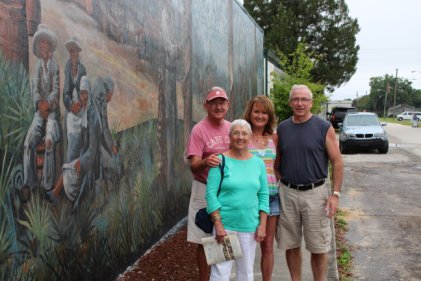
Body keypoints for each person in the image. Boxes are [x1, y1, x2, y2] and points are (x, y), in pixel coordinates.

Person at [274, 85, 344, 281]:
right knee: (291, 244)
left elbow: (337, 161)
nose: (300, 103)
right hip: (288, 193)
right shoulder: (283, 128)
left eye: (304, 99)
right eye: (296, 99)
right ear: (290, 103)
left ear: (311, 103)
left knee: (318, 246)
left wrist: (335, 195)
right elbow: (277, 161)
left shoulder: (324, 128)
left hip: (316, 194)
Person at [206, 119, 269, 280]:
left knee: (246, 273)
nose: (240, 137)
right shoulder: (219, 161)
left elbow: (263, 195)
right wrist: (219, 225)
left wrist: (262, 225)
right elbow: (211, 195)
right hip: (225, 227)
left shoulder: (258, 163)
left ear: (250, 137)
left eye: (244, 133)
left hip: (250, 227)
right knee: (220, 273)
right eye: (236, 133)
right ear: (229, 136)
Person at [185, 86, 231, 281]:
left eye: (221, 102)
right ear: (206, 106)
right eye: (213, 103)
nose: (218, 106)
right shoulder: (199, 130)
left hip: (227, 192)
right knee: (204, 241)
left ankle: (222, 277)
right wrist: (206, 161)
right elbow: (193, 166)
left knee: (226, 238)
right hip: (203, 190)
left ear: (227, 105)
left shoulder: (232, 128)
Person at [47, 76, 100, 210]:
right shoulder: (86, 113)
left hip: (90, 162)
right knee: (68, 168)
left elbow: (93, 150)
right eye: (81, 93)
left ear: (89, 93)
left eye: (85, 93)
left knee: (69, 169)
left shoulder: (92, 116)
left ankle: (55, 194)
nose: (83, 97)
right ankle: (55, 195)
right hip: (84, 156)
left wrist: (81, 161)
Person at [243, 96, 279, 281]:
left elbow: (277, 167)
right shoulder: (243, 136)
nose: (260, 115)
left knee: (267, 245)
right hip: (248, 199)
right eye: (256, 111)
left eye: (264, 112)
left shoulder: (274, 137)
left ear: (269, 115)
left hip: (271, 198)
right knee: (246, 245)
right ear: (250, 113)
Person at [22, 24, 60, 192]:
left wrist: (48, 104)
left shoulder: (54, 65)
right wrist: (39, 104)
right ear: (39, 46)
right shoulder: (37, 66)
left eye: (47, 43)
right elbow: (35, 90)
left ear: (50, 46)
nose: (44, 46)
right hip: (39, 112)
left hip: (51, 113)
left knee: (50, 139)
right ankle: (29, 184)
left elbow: (56, 90)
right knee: (28, 142)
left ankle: (47, 185)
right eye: (41, 43)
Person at [63, 37, 87, 162]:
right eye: (72, 52)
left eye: (76, 52)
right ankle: (70, 166)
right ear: (70, 53)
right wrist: (71, 106)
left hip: (81, 108)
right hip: (71, 109)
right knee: (71, 142)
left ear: (78, 53)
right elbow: (65, 93)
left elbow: (85, 91)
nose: (74, 54)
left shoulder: (82, 69)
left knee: (83, 141)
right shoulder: (67, 67)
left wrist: (82, 103)